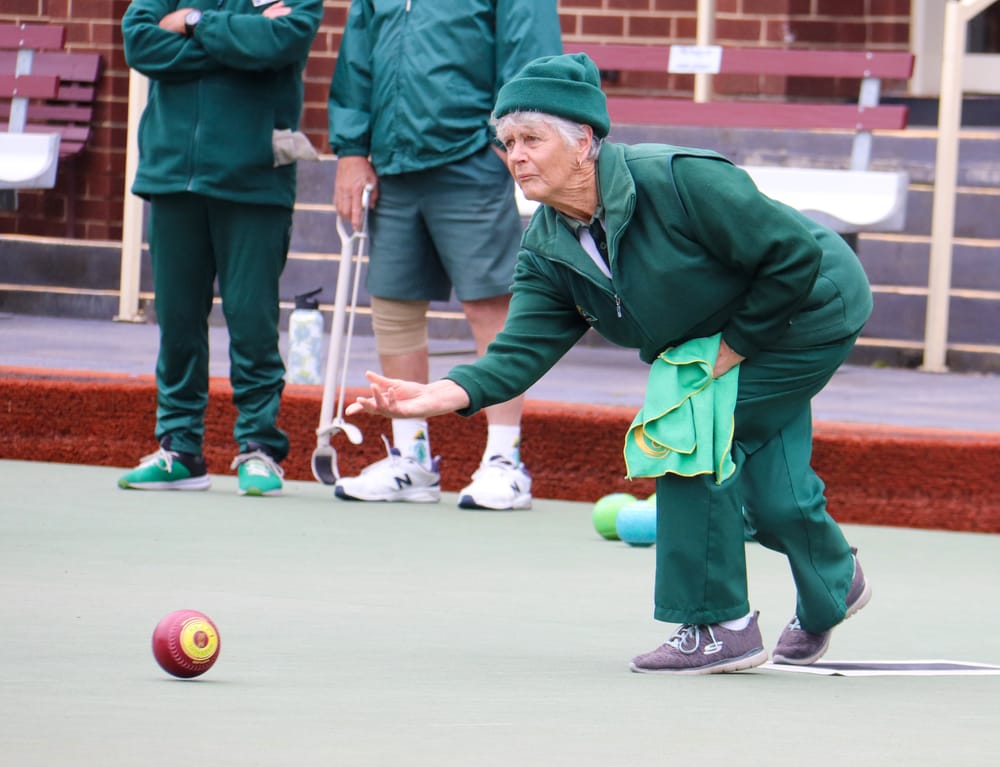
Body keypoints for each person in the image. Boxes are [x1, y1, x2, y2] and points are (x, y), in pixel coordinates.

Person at [344, 52, 875, 674]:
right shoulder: (547, 247)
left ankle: (718, 625)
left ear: (586, 142)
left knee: (686, 430)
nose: (516, 156)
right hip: (723, 336)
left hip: (807, 312)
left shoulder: (679, 179)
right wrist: (444, 393)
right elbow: (520, 351)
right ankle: (834, 583)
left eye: (532, 140)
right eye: (506, 142)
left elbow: (789, 256)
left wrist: (736, 346)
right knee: (775, 495)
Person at [326, 0, 562, 510]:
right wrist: (351, 150)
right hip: (391, 162)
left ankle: (505, 462)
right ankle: (410, 459)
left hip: (473, 157)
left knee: (489, 303)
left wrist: (513, 141)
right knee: (394, 302)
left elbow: (529, 52)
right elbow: (356, 60)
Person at [118, 0, 323, 496]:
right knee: (178, 320)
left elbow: (282, 43)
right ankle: (180, 449)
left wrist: (191, 25)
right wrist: (239, 42)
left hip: (254, 180)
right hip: (171, 177)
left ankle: (259, 448)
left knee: (252, 319)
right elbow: (140, 43)